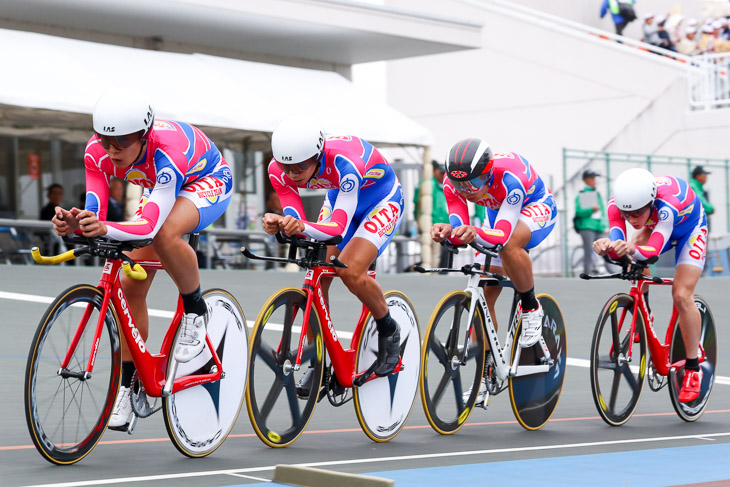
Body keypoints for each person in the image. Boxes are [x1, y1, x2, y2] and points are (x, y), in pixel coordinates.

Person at [51, 90, 233, 430]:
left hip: (204, 181)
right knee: (130, 284)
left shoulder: (167, 152)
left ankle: (195, 309)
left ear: (143, 135)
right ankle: (130, 384)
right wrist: (77, 224)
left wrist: (105, 226)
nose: (111, 149)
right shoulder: (98, 152)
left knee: (164, 234)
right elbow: (96, 212)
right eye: (106, 140)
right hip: (159, 184)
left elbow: (148, 226)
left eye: (120, 142)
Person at [263, 116, 404, 381]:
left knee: (349, 270)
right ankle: (320, 357)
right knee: (319, 270)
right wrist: (283, 224)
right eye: (286, 166)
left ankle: (388, 329)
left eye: (300, 166)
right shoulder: (276, 170)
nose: (292, 174)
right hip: (339, 197)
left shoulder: (344, 163)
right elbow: (296, 216)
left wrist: (298, 225)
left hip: (380, 201)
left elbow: (337, 228)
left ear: (318, 155)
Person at [431, 138, 557, 407]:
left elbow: (501, 235)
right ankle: (485, 376)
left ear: (488, 175)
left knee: (510, 246)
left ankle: (531, 307)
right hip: (497, 211)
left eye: (473, 185)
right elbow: (460, 224)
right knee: (484, 298)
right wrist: (447, 233)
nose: (466, 191)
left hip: (533, 207)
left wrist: (474, 233)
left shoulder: (510, 178)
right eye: (459, 186)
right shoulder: (454, 182)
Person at [593, 168, 706, 403]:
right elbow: (618, 246)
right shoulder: (616, 206)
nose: (631, 219)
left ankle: (693, 369)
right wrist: (607, 245)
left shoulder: (666, 207)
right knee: (631, 258)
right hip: (655, 226)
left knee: (682, 294)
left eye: (637, 213)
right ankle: (644, 312)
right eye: (626, 214)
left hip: (689, 229)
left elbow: (652, 252)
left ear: (651, 203)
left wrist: (630, 248)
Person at [414, 160, 450, 268]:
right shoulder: (425, 185)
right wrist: (419, 223)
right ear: (435, 171)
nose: (443, 176)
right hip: (431, 225)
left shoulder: (441, 187)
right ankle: (432, 277)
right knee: (432, 255)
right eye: (441, 173)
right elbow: (418, 206)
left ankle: (436, 276)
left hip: (442, 226)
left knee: (437, 255)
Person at [574, 170, 607, 275]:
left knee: (607, 250)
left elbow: (602, 212)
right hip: (587, 227)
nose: (594, 181)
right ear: (586, 180)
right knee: (588, 251)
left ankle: (613, 273)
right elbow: (579, 212)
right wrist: (591, 209)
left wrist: (605, 226)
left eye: (594, 178)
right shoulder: (583, 194)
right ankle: (586, 274)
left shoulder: (597, 194)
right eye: (592, 178)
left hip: (598, 227)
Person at [690, 166, 714, 231]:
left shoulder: (700, 188)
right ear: (697, 176)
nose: (706, 177)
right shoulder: (692, 186)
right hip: (696, 223)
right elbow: (700, 203)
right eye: (704, 174)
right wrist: (710, 209)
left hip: (701, 222)